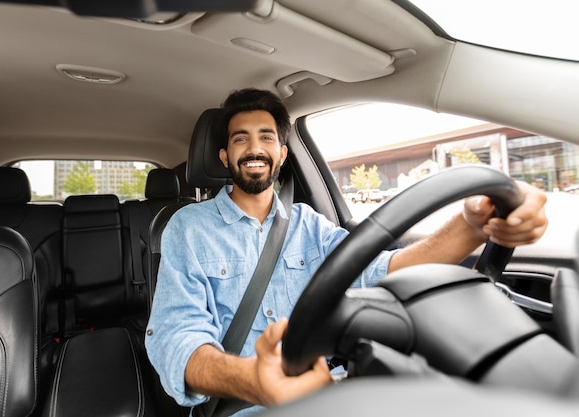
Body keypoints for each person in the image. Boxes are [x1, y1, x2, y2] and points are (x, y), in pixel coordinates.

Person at [145, 88, 548, 416]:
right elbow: (175, 337)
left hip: (340, 391)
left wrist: (472, 227)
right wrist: (253, 379)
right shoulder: (188, 228)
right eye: (240, 138)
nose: (254, 148)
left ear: (282, 154)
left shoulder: (309, 224)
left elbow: (384, 271)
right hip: (246, 406)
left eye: (267, 137)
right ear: (224, 157)